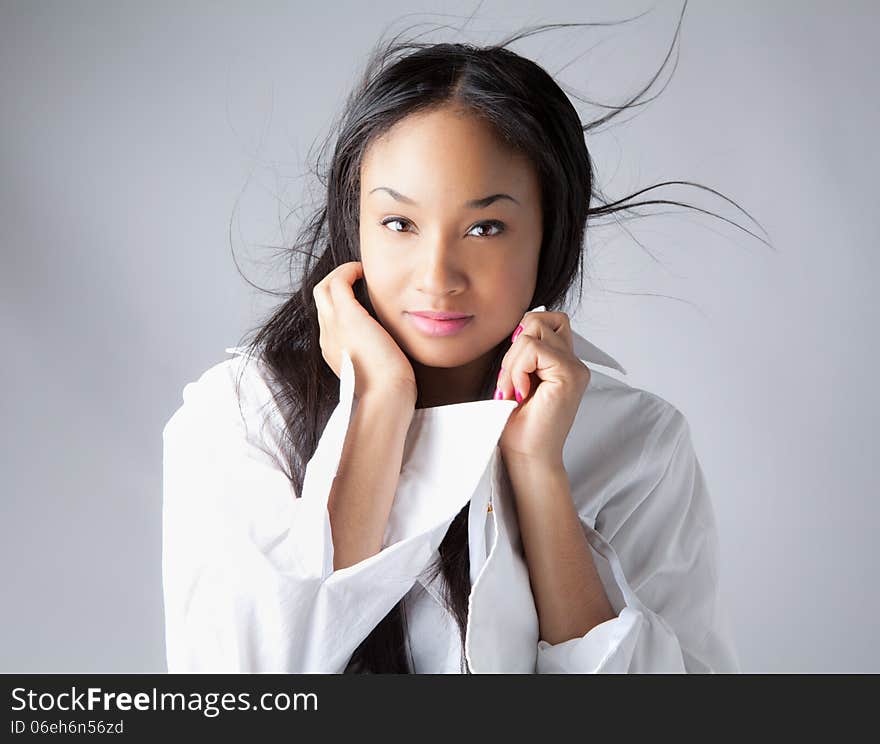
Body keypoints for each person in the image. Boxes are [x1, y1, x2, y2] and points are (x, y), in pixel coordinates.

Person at [162, 6, 764, 673]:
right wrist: (378, 404)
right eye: (399, 223)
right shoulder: (241, 415)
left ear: (550, 232)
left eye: (486, 229)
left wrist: (540, 476)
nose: (437, 277)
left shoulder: (638, 441)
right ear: (353, 221)